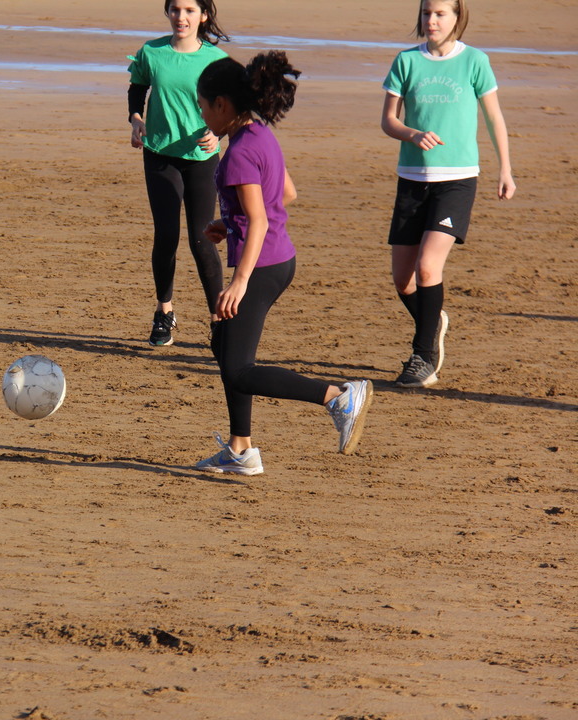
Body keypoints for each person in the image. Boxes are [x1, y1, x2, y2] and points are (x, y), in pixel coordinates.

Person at [194, 52, 373, 476]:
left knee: (239, 370)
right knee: (225, 346)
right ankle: (240, 450)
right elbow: (286, 193)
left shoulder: (238, 153)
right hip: (278, 258)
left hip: (261, 266)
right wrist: (230, 222)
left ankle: (338, 396)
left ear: (221, 104)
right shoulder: (259, 134)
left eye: (202, 106)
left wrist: (239, 281)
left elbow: (259, 219)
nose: (201, 115)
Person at [382, 0, 515, 388]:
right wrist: (412, 134)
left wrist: (505, 169)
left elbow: (494, 117)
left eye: (440, 13)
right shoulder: (407, 61)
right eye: (427, 13)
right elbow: (388, 120)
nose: (432, 20)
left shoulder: (474, 61)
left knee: (428, 267)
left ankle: (423, 358)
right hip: (412, 179)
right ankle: (434, 320)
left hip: (457, 179)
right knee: (403, 280)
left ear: (458, 17)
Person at [127, 0, 228, 346]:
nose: (180, 17)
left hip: (201, 158)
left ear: (203, 15)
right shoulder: (151, 52)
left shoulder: (216, 60)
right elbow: (137, 87)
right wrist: (136, 119)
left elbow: (230, 106)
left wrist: (218, 132)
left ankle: (218, 320)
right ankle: (164, 312)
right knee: (166, 236)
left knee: (203, 239)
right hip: (159, 154)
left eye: (189, 10)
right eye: (175, 9)